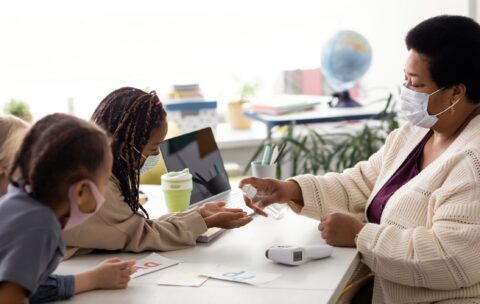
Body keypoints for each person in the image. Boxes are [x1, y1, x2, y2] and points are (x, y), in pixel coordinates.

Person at [240, 15, 480, 303]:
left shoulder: (472, 162)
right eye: (404, 78)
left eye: (415, 84)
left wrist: (359, 235)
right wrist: (291, 189)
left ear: (456, 92)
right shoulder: (417, 132)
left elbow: (451, 258)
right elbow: (363, 182)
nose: (405, 92)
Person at [63, 87, 253, 258]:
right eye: (153, 150)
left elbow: (133, 225)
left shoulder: (93, 165)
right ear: (126, 147)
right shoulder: (98, 187)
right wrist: (205, 222)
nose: (156, 156)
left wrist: (199, 214)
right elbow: (139, 235)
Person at [0, 114, 135, 304]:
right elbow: (9, 298)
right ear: (80, 191)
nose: (104, 194)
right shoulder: (41, 225)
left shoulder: (17, 199)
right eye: (104, 183)